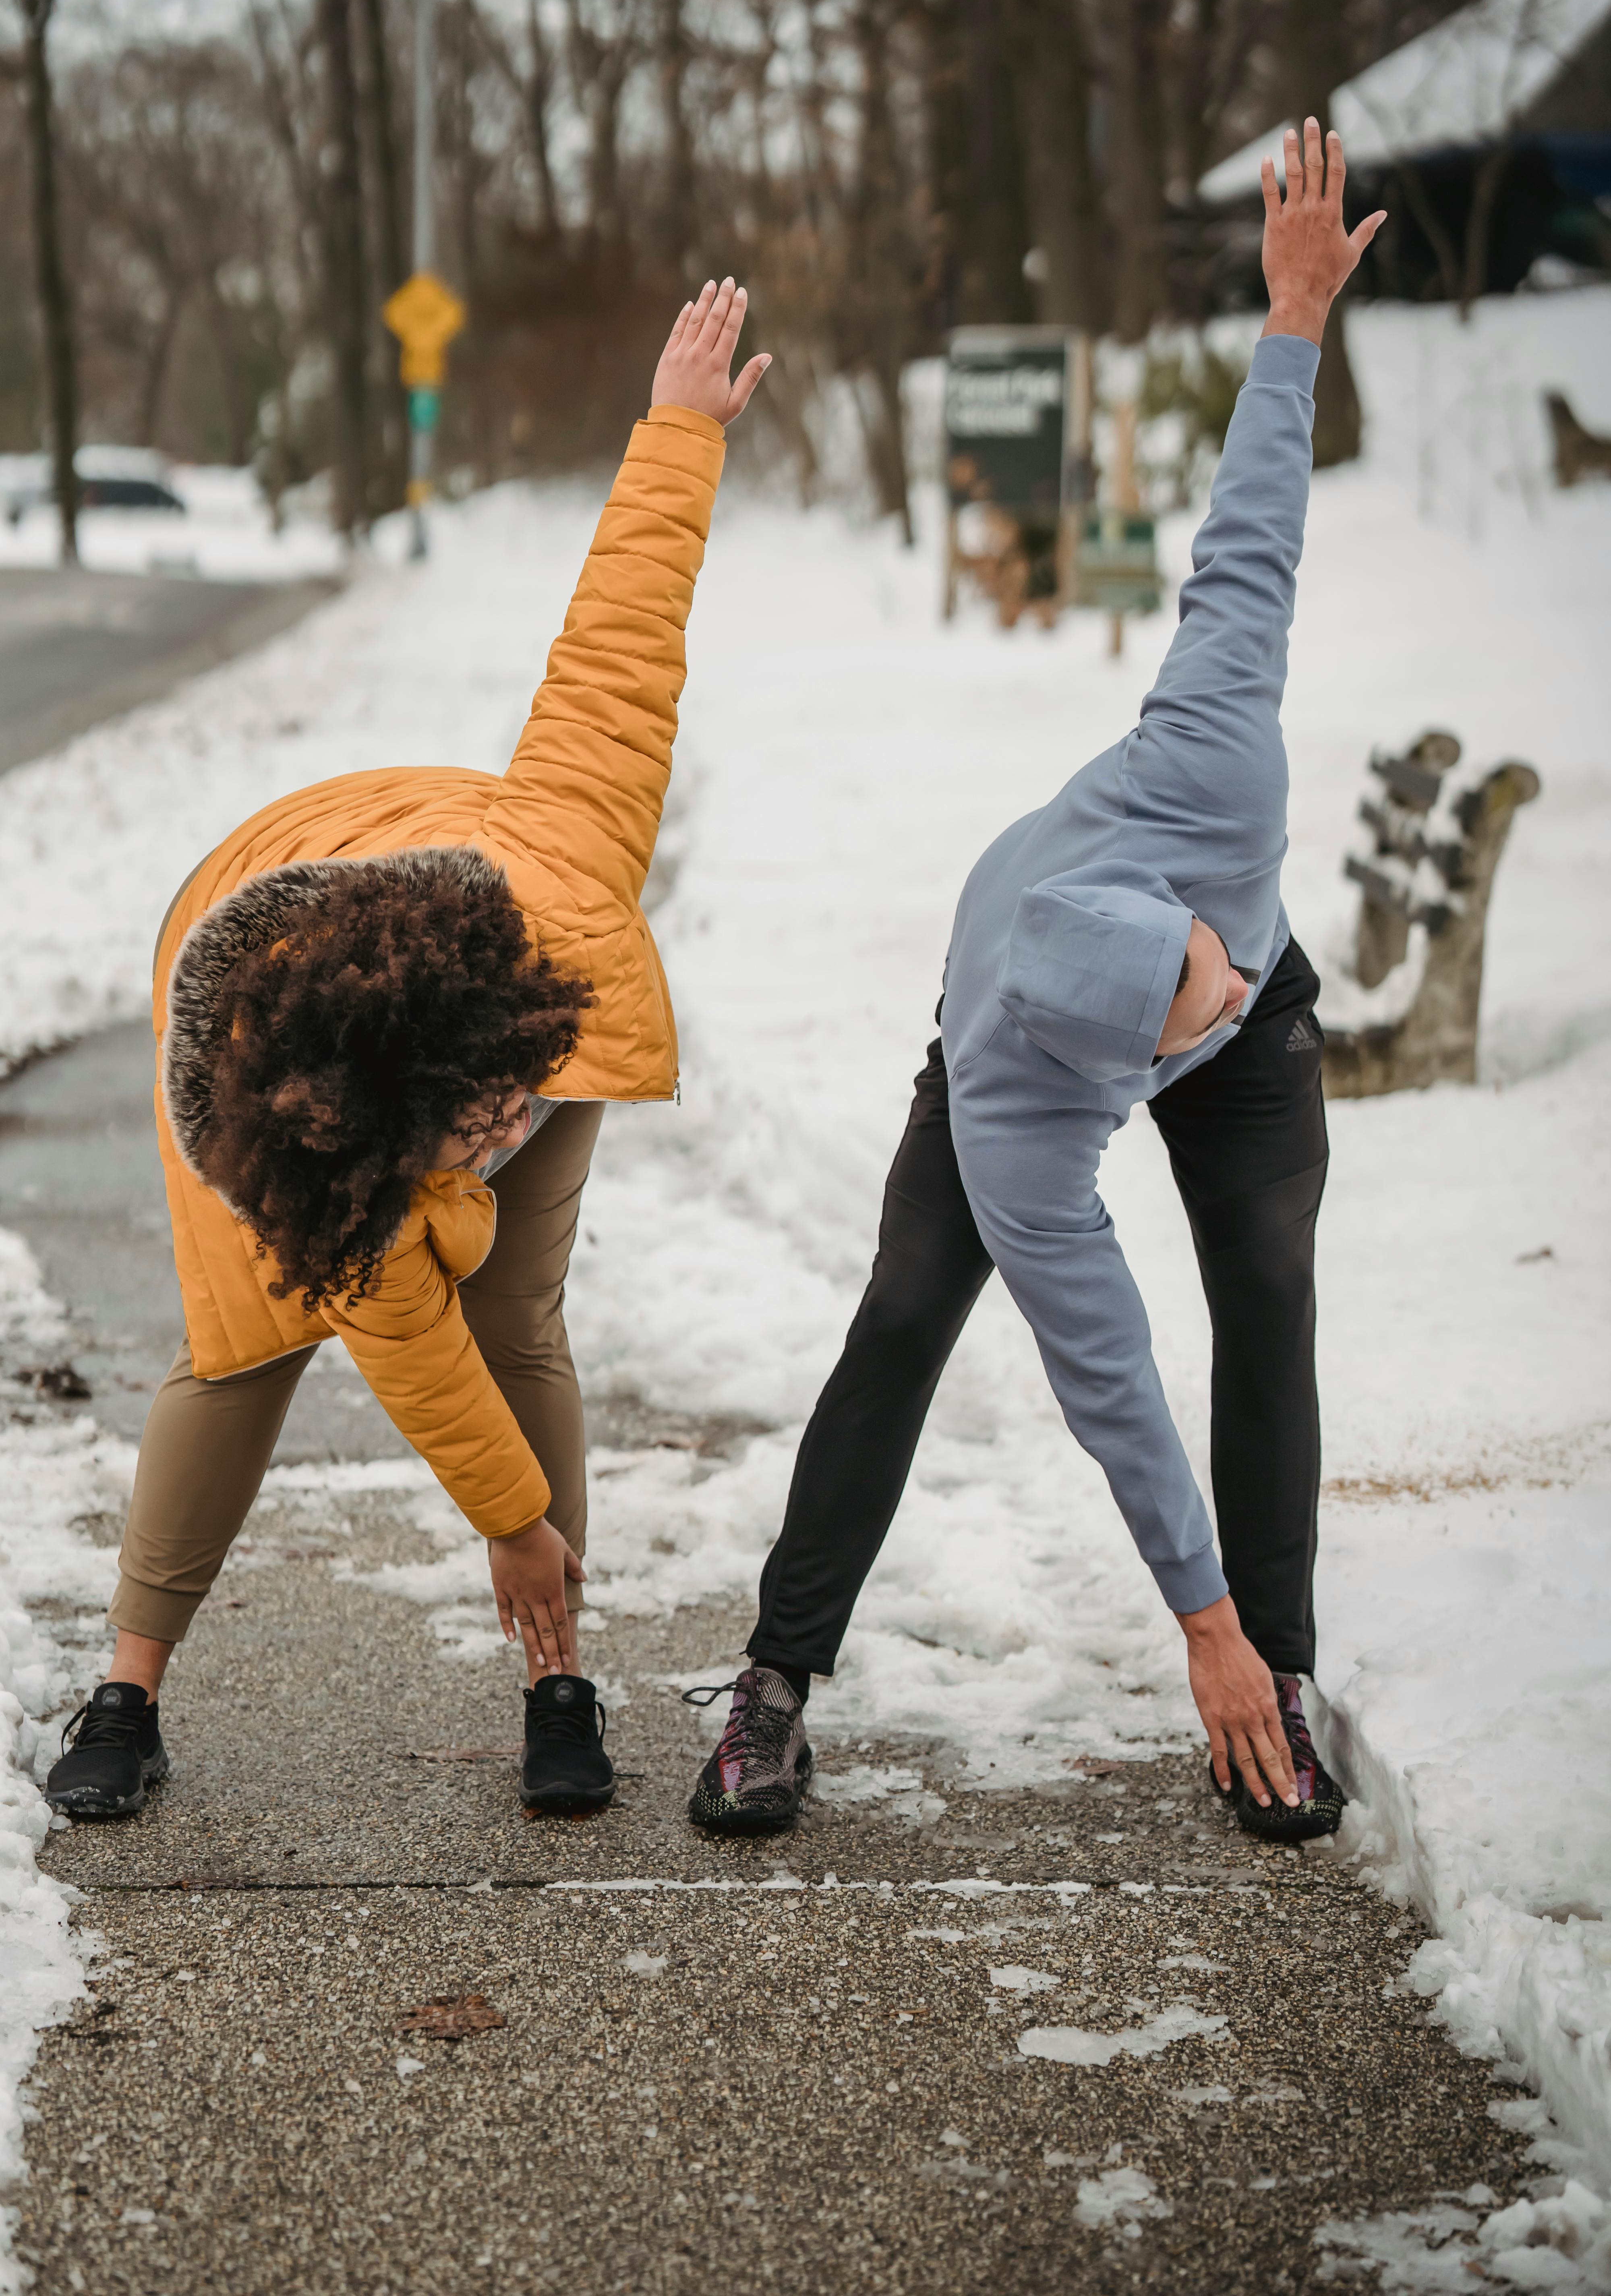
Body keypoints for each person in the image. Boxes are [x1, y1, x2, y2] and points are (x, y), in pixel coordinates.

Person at [692, 122, 1386, 1845]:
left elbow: (1251, 531)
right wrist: (1186, 1621)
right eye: (1177, 1021)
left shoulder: (1214, 763)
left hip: (1186, 912)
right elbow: (1110, 1382)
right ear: (1098, 1064)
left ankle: (1279, 1690)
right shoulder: (1016, 1111)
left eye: (1196, 986)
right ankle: (775, 1683)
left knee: (1271, 1283)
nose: (1204, 1011)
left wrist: (1290, 318)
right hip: (1003, 1029)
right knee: (909, 1310)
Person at [48, 278, 770, 1825]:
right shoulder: (303, 1154)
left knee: (512, 1315)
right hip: (252, 967)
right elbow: (396, 1334)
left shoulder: (553, 889)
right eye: (478, 1124)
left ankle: (556, 1680)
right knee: (240, 1350)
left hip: (454, 910)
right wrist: (505, 1519)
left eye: (510, 1097)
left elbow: (615, 664)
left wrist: (676, 438)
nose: (510, 1125)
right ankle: (128, 1684)